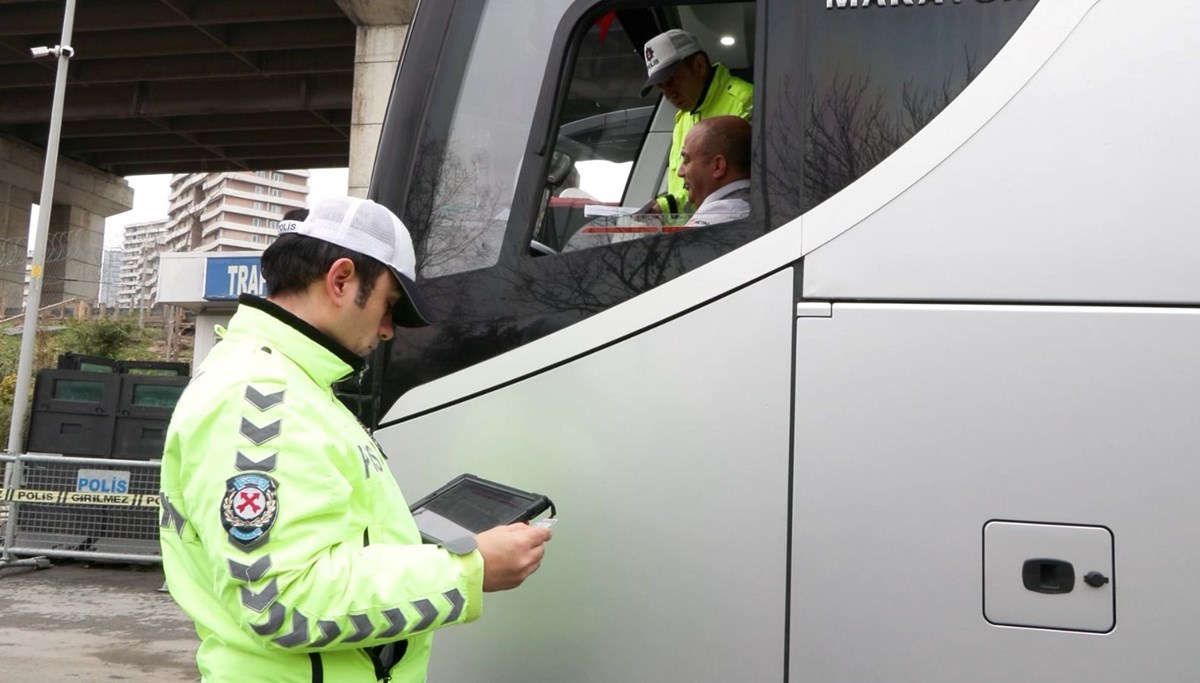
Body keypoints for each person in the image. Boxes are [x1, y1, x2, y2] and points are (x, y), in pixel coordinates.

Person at [159, 196, 552, 682]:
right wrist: (468, 571)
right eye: (389, 304)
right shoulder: (260, 398)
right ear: (341, 279)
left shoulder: (292, 387)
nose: (388, 330)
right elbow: (282, 603)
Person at [640, 28, 753, 216]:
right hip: (697, 232)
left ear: (699, 65)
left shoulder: (745, 101)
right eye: (662, 87)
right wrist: (664, 207)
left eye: (673, 81)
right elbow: (684, 189)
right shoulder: (683, 118)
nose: (668, 95)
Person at [677, 115, 752, 228]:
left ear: (717, 166)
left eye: (686, 160)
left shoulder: (713, 221)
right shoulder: (765, 207)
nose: (680, 172)